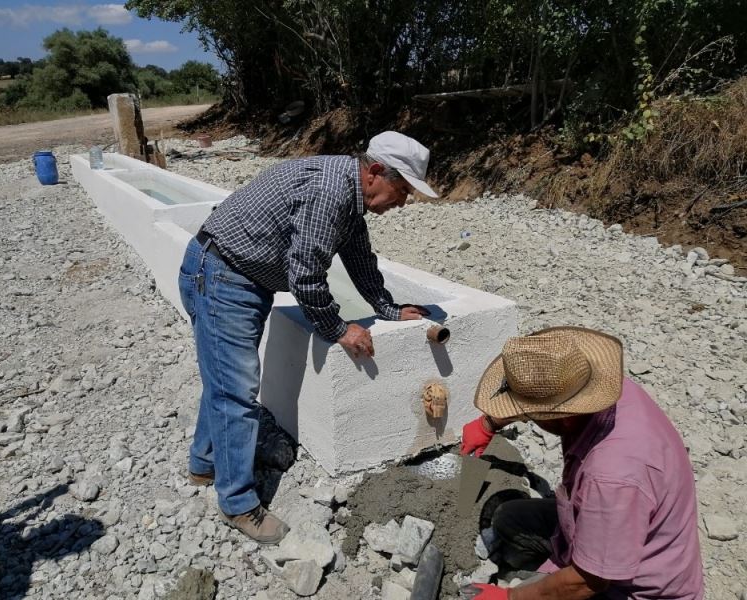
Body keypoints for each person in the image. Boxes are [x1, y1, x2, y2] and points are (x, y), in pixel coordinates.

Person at [178, 131, 438, 544]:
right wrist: (338, 328)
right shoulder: (331, 191)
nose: (403, 202)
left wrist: (388, 309)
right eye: (402, 190)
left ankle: (204, 465)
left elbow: (359, 259)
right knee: (238, 390)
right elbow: (306, 275)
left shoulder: (350, 195)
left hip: (238, 275)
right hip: (222, 276)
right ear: (374, 173)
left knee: (225, 382)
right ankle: (238, 503)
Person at [459, 326, 704, 600]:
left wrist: (511, 598)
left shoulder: (612, 475)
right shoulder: (603, 390)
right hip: (607, 528)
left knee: (532, 588)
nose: (527, 418)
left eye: (531, 416)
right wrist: (489, 423)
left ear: (562, 416)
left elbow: (588, 582)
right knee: (509, 518)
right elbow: (544, 395)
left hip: (633, 590)